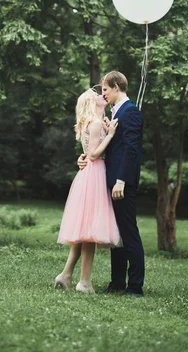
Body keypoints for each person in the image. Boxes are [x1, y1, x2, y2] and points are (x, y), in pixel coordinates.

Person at [78, 71, 145, 297]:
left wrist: (121, 180)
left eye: (105, 89)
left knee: (128, 233)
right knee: (117, 236)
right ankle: (117, 282)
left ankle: (134, 286)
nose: (103, 94)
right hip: (109, 180)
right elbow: (103, 147)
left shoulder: (131, 112)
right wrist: (84, 158)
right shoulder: (116, 112)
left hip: (121, 182)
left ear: (116, 87)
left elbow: (131, 150)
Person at [55, 88, 121, 293]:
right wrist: (110, 135)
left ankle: (65, 275)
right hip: (95, 175)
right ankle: (84, 282)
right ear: (92, 103)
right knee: (90, 232)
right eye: (96, 96)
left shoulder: (92, 123)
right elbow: (93, 155)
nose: (101, 96)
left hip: (89, 175)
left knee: (85, 231)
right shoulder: (95, 124)